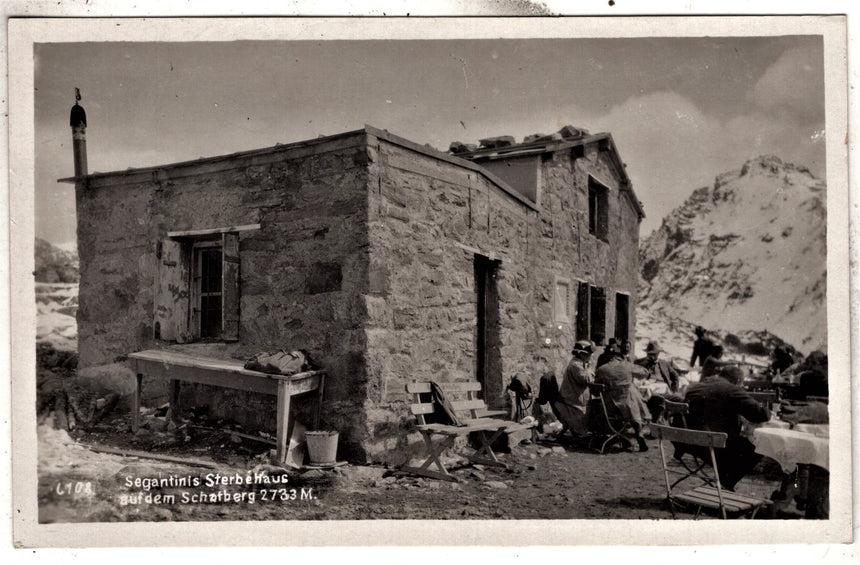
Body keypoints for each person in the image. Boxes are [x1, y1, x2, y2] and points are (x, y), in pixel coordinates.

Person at [683, 365, 770, 491]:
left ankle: (722, 484)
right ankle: (724, 485)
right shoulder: (731, 389)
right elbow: (761, 414)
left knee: (735, 444)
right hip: (713, 446)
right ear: (738, 381)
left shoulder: (696, 387)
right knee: (759, 446)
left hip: (690, 443)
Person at [593, 343, 651, 451]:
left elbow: (595, 390)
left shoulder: (602, 369)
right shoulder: (627, 366)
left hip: (608, 410)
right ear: (620, 356)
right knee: (632, 393)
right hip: (627, 410)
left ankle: (620, 437)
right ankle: (639, 432)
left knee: (630, 393)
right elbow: (644, 373)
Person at [551, 340, 595, 439]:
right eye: (588, 354)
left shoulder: (581, 364)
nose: (590, 356)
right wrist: (589, 368)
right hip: (571, 402)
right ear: (582, 354)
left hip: (576, 400)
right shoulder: (576, 365)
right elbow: (587, 379)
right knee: (582, 430)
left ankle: (571, 430)